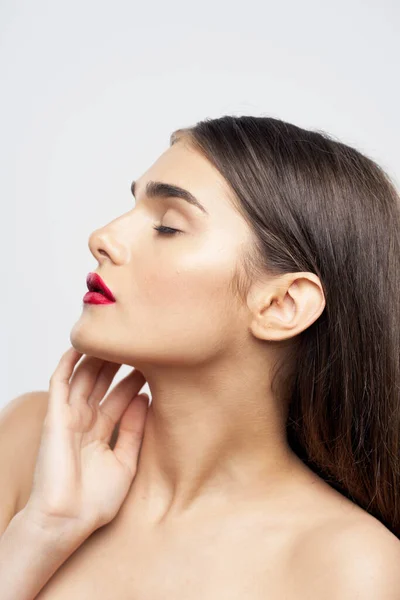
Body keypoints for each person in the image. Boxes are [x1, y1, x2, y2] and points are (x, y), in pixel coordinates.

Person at [1, 115, 400, 599]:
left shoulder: (348, 566)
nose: (102, 237)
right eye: (132, 206)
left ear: (281, 305)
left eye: (168, 226)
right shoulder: (32, 442)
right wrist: (42, 530)